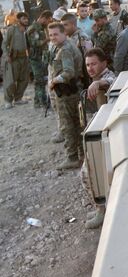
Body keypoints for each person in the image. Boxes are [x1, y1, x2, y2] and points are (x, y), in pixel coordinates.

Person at [80, 48, 116, 229]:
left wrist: (98, 83)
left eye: (94, 64)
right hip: (100, 131)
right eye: (87, 65)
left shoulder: (108, 77)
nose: (90, 68)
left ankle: (102, 211)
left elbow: (110, 82)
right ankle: (100, 208)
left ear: (104, 63)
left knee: (89, 174)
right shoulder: (95, 78)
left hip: (107, 134)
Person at [47, 22, 84, 169]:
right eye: (50, 35)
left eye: (56, 34)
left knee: (67, 126)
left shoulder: (66, 49)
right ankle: (81, 155)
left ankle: (72, 157)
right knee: (76, 124)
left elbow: (69, 72)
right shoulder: (63, 46)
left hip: (67, 92)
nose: (53, 37)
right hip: (71, 91)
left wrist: (54, 81)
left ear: (64, 33)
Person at [26, 10, 53, 108]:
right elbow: (35, 43)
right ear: (43, 18)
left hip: (41, 57)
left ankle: (37, 102)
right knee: (40, 80)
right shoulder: (33, 29)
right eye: (48, 20)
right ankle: (43, 102)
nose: (48, 23)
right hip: (36, 59)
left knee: (40, 80)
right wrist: (47, 39)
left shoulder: (42, 28)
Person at [3, 12, 30, 109]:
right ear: (18, 20)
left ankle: (18, 98)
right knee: (11, 81)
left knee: (24, 80)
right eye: (24, 18)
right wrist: (6, 56)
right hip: (14, 58)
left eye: (27, 18)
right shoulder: (12, 30)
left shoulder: (27, 30)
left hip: (24, 58)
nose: (26, 20)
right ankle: (8, 100)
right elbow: (4, 43)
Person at [61, 13, 93, 84]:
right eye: (62, 25)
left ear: (73, 25)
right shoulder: (68, 38)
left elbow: (89, 58)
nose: (63, 28)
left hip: (82, 78)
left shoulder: (82, 38)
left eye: (65, 25)